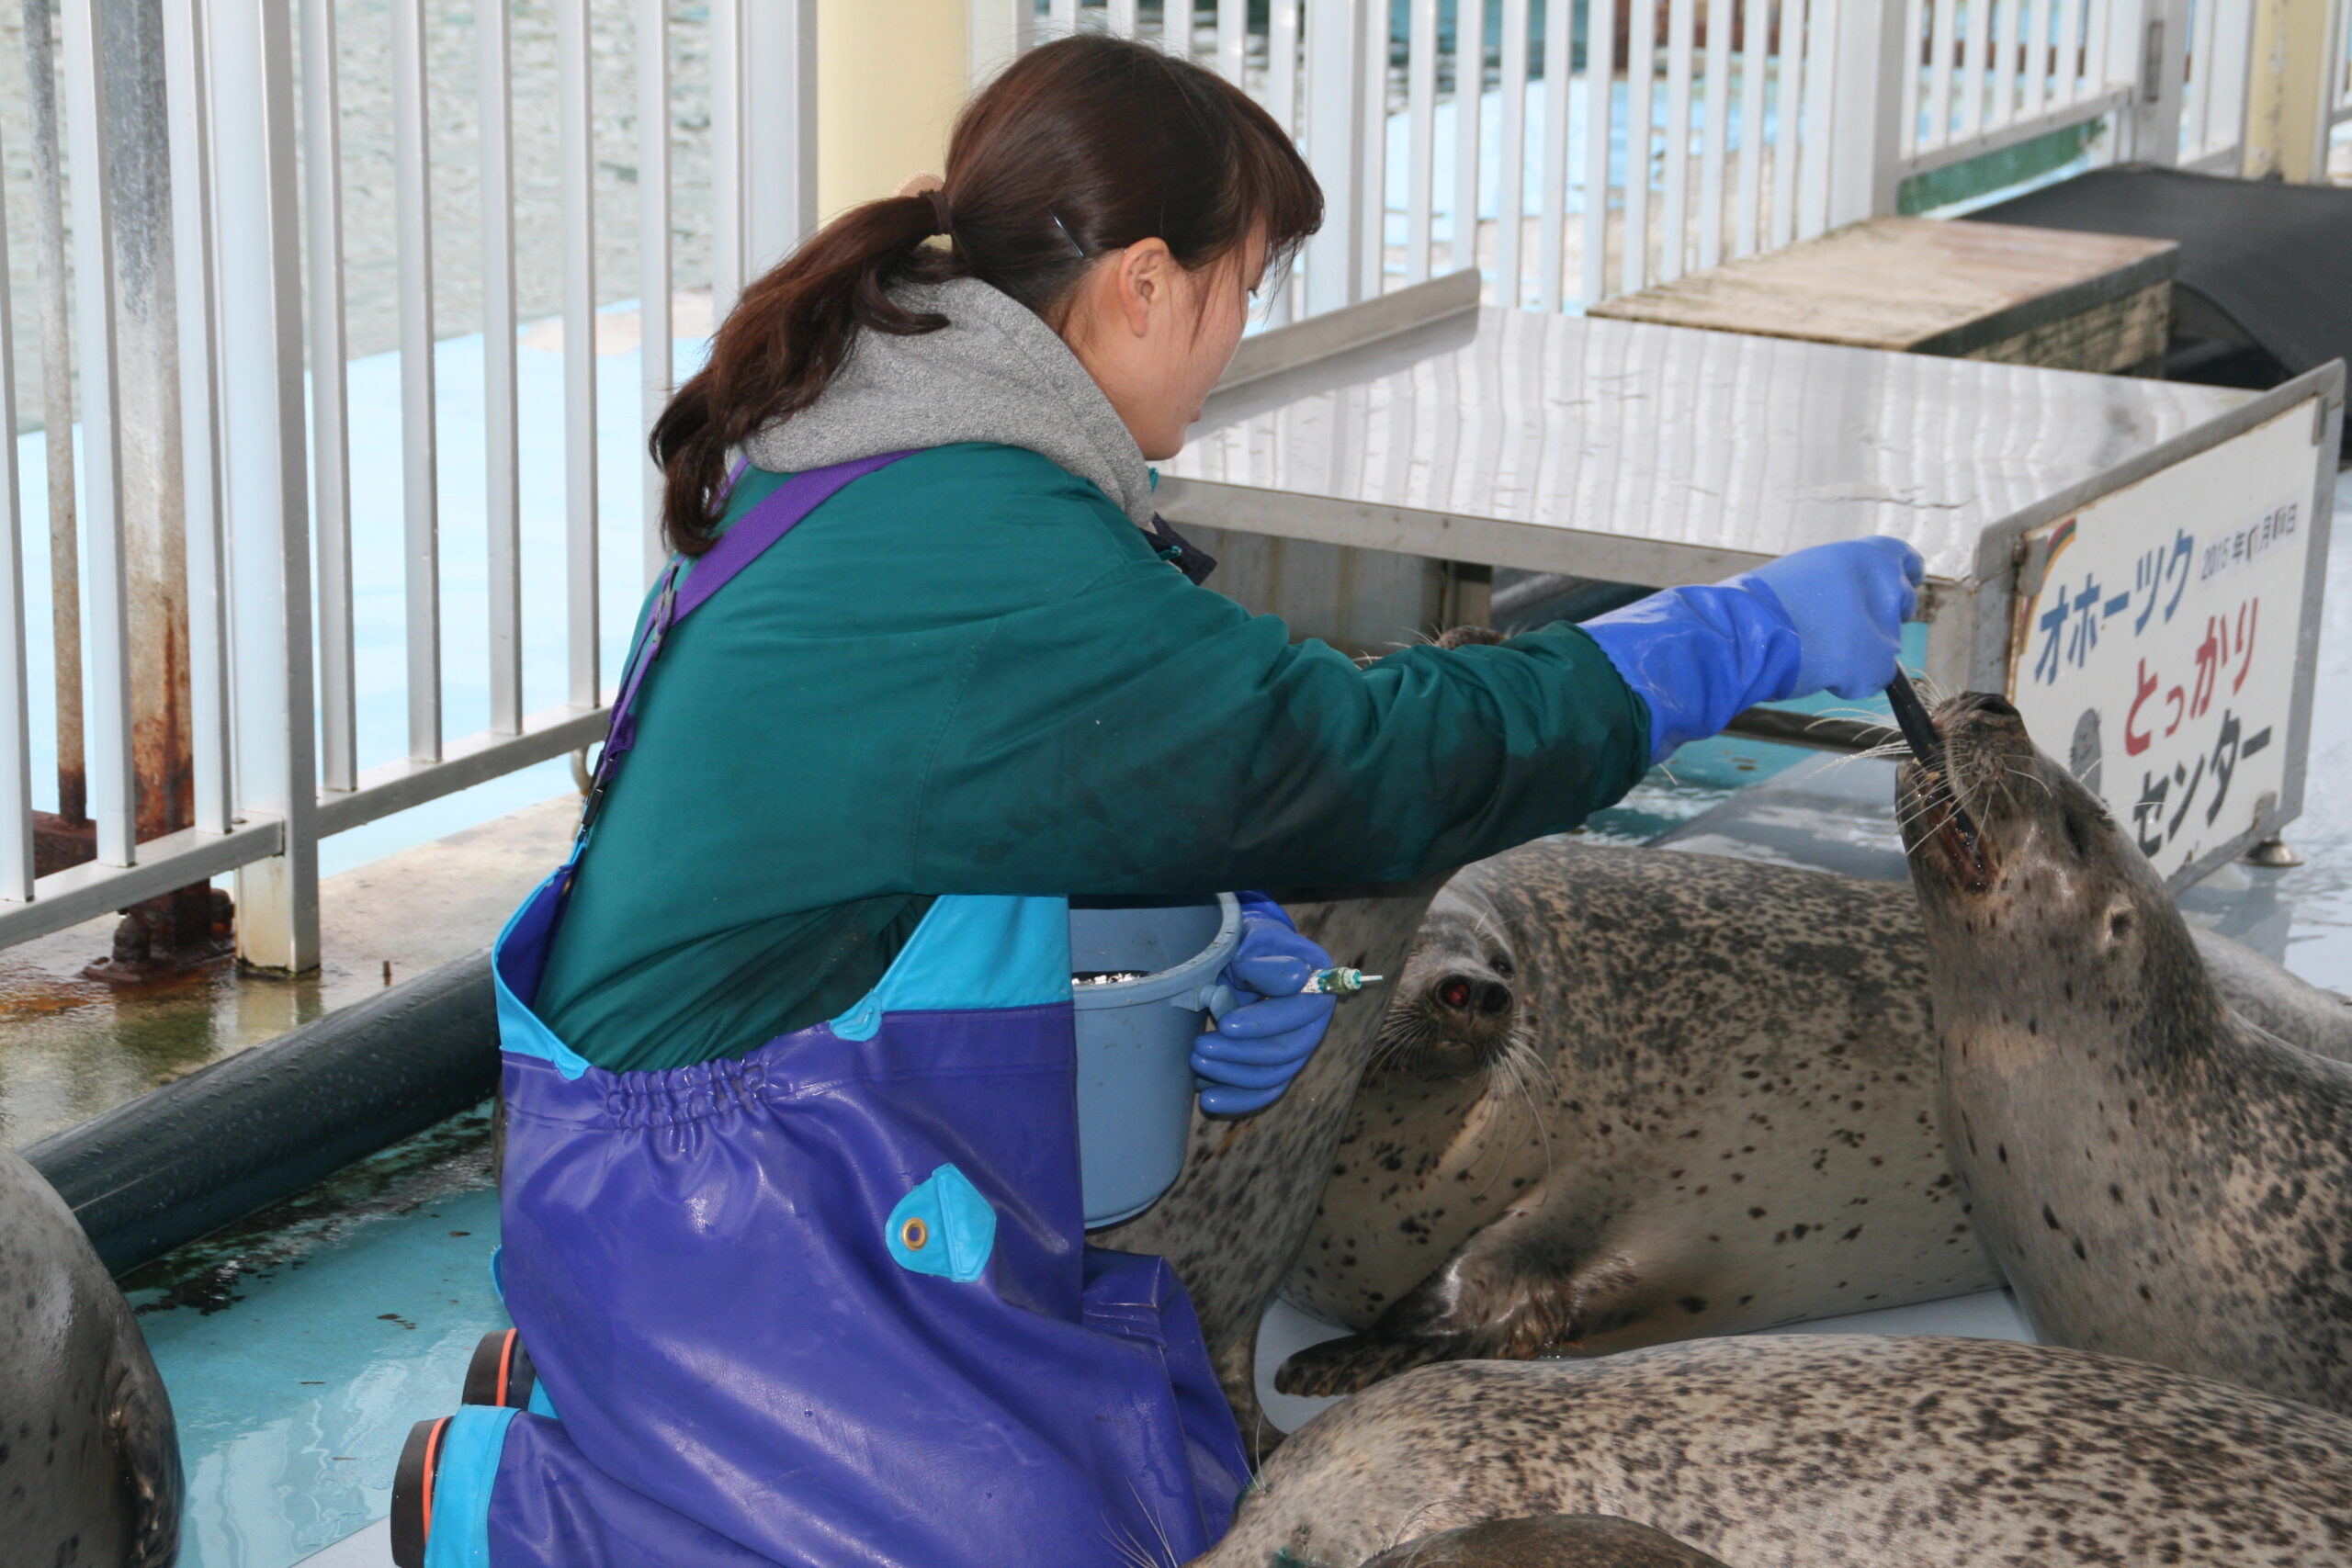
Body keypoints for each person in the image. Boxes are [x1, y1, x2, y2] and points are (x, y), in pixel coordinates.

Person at [392, 33, 1920, 1568]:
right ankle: (514, 1499)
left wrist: (1200, 925)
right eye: (1242, 287)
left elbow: (929, 807)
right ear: (1142, 282)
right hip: (707, 1193)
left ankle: (608, 1388)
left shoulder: (892, 447)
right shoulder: (981, 537)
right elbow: (1358, 759)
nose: (1237, 335)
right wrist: (1723, 639)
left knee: (1164, 1467)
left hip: (737, 1114)